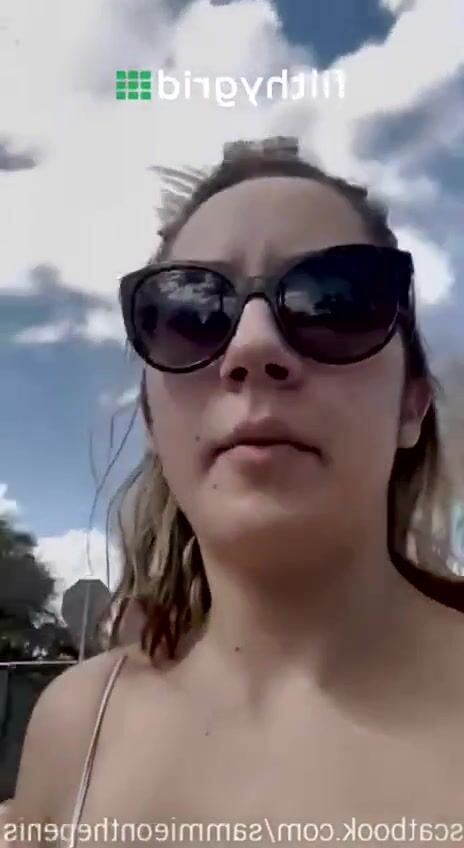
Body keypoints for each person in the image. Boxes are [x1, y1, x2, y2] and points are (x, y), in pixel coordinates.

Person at [9, 137, 464, 848]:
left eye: (334, 300)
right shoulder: (76, 727)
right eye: (190, 312)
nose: (253, 347)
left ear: (411, 406)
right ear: (154, 424)